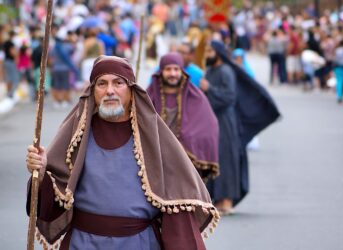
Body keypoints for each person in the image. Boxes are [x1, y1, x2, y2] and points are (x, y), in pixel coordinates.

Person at [26, 55, 219, 249]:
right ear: (93, 91)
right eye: (102, 83)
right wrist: (41, 173)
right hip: (82, 243)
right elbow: (50, 207)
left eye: (118, 83)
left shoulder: (153, 137)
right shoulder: (76, 136)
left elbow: (177, 204)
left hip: (140, 243)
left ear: (131, 90)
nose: (110, 90)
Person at [200, 40, 280, 215]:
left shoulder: (226, 71)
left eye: (210, 51)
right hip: (213, 121)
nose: (207, 54)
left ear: (219, 53)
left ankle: (227, 202)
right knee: (216, 159)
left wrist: (209, 89)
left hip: (226, 122)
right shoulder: (211, 71)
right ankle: (217, 199)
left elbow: (229, 97)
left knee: (227, 159)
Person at [147, 52, 219, 180]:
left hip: (186, 164)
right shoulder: (148, 96)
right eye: (168, 69)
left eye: (176, 69)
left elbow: (209, 128)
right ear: (161, 71)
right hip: (156, 162)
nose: (173, 74)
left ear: (182, 72)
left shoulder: (196, 97)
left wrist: (187, 139)